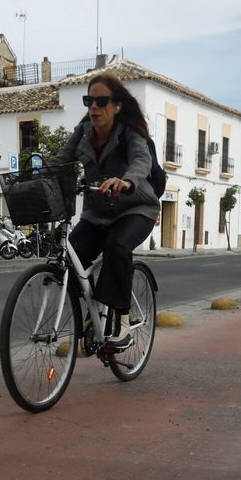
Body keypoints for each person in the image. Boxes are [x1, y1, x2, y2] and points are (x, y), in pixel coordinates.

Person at [50, 72, 159, 350]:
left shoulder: (129, 132)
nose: (94, 107)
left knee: (117, 246)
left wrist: (126, 181)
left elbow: (141, 160)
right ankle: (93, 311)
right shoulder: (84, 130)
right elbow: (62, 160)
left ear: (117, 106)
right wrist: (39, 173)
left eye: (102, 101)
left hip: (136, 208)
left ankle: (122, 323)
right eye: (90, 101)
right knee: (70, 256)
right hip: (97, 213)